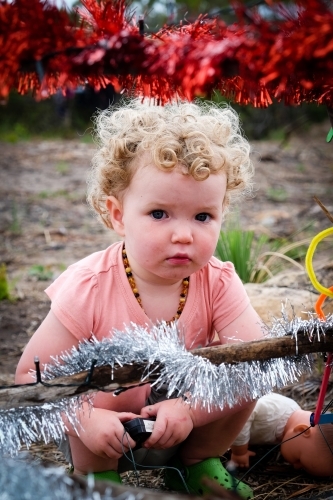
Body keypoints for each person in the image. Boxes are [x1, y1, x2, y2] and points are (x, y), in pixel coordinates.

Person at [15, 99, 266, 499]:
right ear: (118, 215)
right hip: (99, 434)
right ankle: (100, 480)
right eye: (159, 213)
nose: (183, 234)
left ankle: (199, 462)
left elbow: (256, 364)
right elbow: (32, 375)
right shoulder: (90, 286)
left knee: (246, 373)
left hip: (183, 426)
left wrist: (190, 410)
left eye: (202, 216)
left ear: (222, 212)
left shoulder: (217, 281)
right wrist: (85, 419)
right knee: (83, 381)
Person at [230, 392, 333, 476]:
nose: (296, 466)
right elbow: (243, 410)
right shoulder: (275, 412)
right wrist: (239, 451)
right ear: (302, 430)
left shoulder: (286, 430)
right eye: (299, 460)